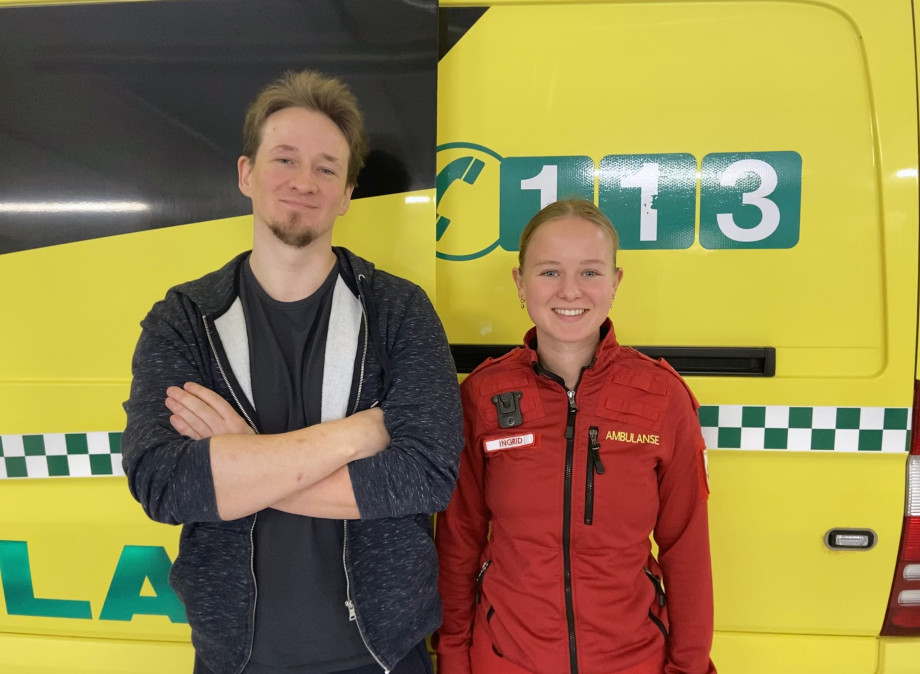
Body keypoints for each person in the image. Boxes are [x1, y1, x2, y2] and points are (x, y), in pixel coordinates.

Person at [121, 69, 463, 674]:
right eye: (285, 159)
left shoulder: (399, 311)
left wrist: (243, 461)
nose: (304, 181)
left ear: (348, 191)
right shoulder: (184, 319)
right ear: (246, 173)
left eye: (327, 168)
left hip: (384, 656)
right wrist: (354, 436)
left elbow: (426, 475)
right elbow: (163, 483)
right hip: (236, 659)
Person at [433, 199, 716, 674]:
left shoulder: (662, 397)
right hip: (504, 660)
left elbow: (686, 547)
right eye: (548, 272)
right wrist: (455, 656)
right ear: (520, 284)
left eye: (589, 272)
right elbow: (459, 538)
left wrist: (688, 668)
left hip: (633, 661)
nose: (570, 291)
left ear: (615, 283)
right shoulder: (483, 395)